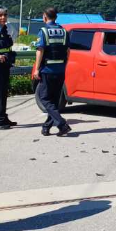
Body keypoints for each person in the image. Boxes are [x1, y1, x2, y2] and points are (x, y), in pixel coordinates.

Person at [33, 7, 71, 137]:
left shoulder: (44, 31)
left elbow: (40, 50)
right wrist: (64, 66)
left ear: (44, 16)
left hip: (47, 70)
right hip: (60, 70)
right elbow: (68, 52)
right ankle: (46, 127)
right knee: (54, 101)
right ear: (56, 17)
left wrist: (37, 69)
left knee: (44, 98)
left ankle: (62, 123)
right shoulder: (64, 31)